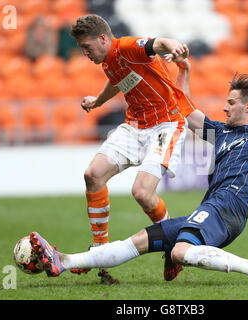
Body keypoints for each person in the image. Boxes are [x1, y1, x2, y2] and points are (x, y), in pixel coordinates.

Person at [28, 59, 248, 285]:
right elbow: (184, 109)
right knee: (140, 239)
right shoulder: (219, 131)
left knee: (180, 252)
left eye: (231, 102)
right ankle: (64, 260)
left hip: (229, 207)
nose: (224, 107)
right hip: (212, 208)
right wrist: (185, 70)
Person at [68, 14, 198, 281]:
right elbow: (118, 81)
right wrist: (98, 101)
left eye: (87, 47)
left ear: (103, 39)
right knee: (93, 175)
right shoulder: (109, 61)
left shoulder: (128, 46)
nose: (85, 53)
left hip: (166, 124)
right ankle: (99, 249)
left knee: (141, 193)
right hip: (135, 125)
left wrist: (174, 45)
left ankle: (173, 245)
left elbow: (157, 43)